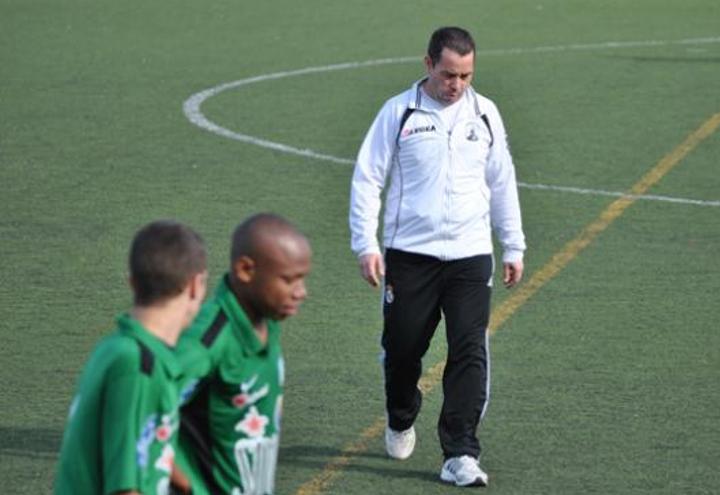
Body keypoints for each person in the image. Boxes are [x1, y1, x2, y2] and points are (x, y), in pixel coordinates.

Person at [349, 26, 526, 487]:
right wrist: (366, 244)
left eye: (466, 75)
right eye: (449, 74)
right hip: (410, 256)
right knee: (404, 349)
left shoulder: (485, 114)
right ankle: (401, 414)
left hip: (470, 256)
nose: (458, 85)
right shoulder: (399, 112)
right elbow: (368, 178)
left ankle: (461, 452)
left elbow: (502, 180)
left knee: (469, 350)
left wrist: (513, 244)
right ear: (428, 65)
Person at [54, 221, 208, 495]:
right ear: (195, 286)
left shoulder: (116, 348)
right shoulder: (138, 366)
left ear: (132, 282)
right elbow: (124, 488)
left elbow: (146, 443)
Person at [173, 213, 311, 495]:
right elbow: (138, 418)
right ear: (246, 270)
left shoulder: (266, 320)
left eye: (303, 279)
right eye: (289, 280)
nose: (301, 292)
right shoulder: (207, 341)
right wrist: (191, 487)